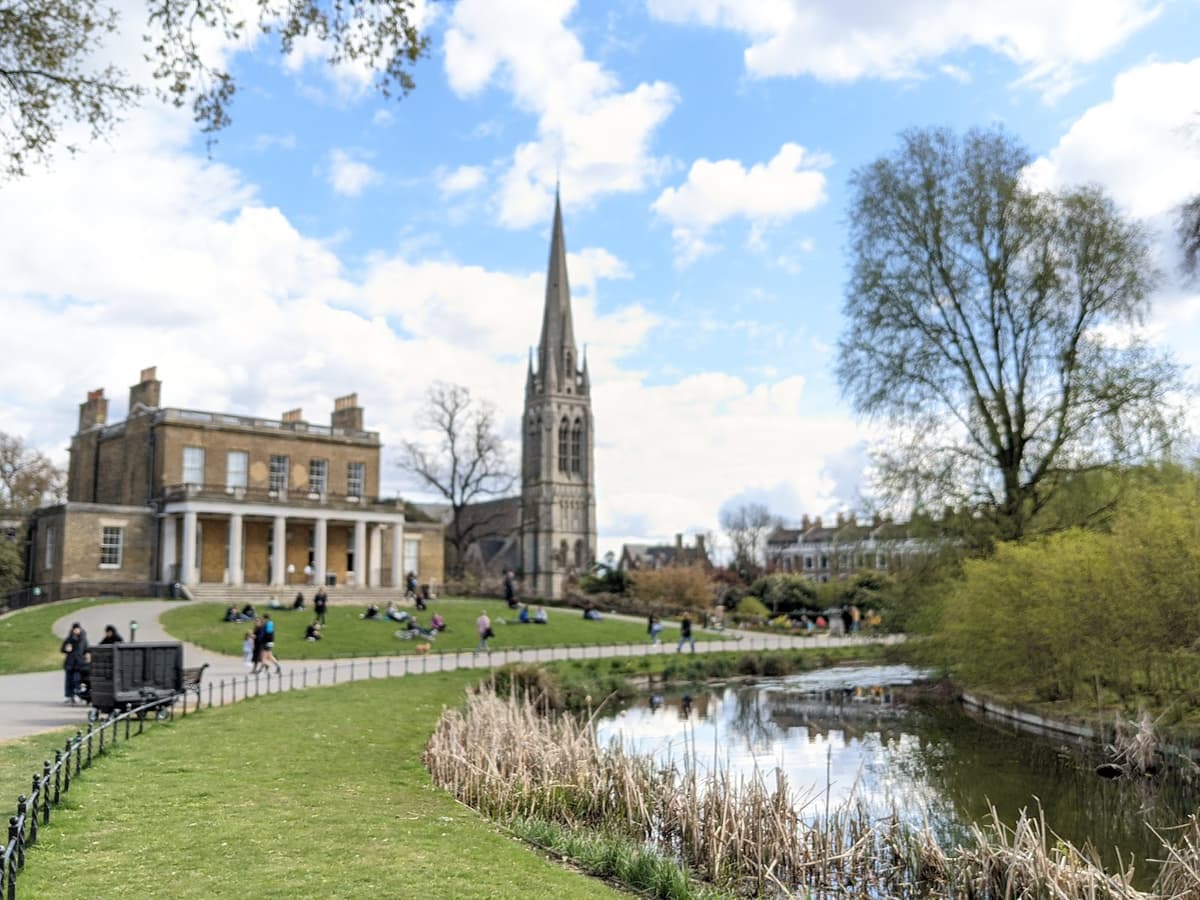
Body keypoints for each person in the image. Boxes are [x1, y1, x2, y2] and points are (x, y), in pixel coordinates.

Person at [60, 622, 88, 703]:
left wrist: (87, 656)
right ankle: (69, 696)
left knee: (77, 680)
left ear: (80, 629)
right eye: (74, 629)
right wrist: (66, 649)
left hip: (79, 663)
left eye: (77, 629)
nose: (76, 631)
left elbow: (87, 649)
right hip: (70, 663)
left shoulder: (83, 639)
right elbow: (62, 649)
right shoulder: (69, 639)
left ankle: (79, 696)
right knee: (68, 681)